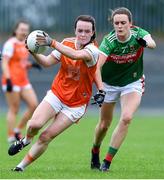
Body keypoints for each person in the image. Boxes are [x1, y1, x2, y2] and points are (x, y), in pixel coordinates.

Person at [8, 15, 106, 172]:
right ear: (75, 30)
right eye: (80, 30)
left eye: (87, 31)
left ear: (93, 33)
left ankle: (20, 167)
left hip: (75, 104)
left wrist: (52, 42)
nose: (83, 34)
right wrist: (32, 51)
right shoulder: (66, 43)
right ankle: (25, 140)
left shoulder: (93, 51)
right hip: (57, 94)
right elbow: (46, 62)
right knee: (34, 124)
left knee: (46, 136)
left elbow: (75, 55)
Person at [90, 7, 156, 171]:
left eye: (123, 23)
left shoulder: (138, 34)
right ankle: (95, 149)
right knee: (104, 125)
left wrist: (145, 43)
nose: (119, 26)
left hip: (132, 82)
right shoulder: (109, 41)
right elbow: (97, 67)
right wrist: (100, 90)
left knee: (126, 118)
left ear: (130, 24)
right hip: (109, 84)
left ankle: (106, 162)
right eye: (116, 23)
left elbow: (152, 44)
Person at [1, 20, 41, 144]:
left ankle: (18, 129)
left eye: (26, 30)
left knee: (34, 105)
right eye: (22, 29)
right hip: (12, 80)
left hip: (23, 81)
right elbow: (5, 62)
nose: (24, 32)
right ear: (16, 30)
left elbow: (20, 62)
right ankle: (11, 135)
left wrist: (31, 64)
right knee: (14, 109)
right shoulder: (10, 44)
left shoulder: (26, 44)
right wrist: (8, 79)